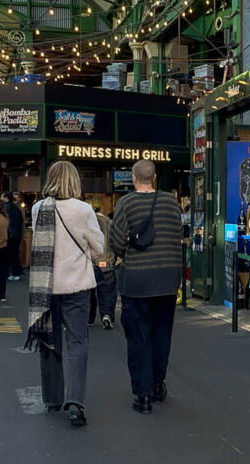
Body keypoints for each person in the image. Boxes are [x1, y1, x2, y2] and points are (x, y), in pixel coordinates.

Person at [24, 161, 103, 427]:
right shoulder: (83, 210)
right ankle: (75, 403)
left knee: (49, 340)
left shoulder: (37, 209)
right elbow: (100, 247)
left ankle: (52, 397)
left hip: (45, 287)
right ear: (74, 181)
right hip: (76, 287)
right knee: (77, 343)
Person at [108, 160, 183, 415]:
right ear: (155, 177)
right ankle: (158, 384)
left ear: (133, 177)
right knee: (162, 334)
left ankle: (142, 395)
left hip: (137, 280)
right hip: (167, 278)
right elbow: (177, 235)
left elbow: (117, 242)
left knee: (138, 336)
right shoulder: (171, 203)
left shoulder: (126, 204)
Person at [88, 198, 117, 330]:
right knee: (107, 291)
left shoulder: (87, 223)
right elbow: (116, 242)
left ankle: (89, 317)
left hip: (90, 263)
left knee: (89, 292)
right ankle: (107, 315)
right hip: (106, 262)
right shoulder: (109, 223)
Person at [4, 191, 24, 281]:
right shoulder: (16, 208)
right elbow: (20, 221)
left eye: (2, 196)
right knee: (14, 254)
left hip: (10, 234)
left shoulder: (6, 208)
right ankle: (16, 271)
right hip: (16, 234)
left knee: (9, 255)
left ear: (6, 198)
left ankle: (13, 272)